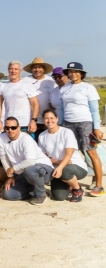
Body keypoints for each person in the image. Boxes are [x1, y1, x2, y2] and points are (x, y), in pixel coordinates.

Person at [58, 61, 103, 197]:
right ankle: (72, 183)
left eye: (76, 71)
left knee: (91, 152)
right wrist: (60, 125)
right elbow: (61, 109)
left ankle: (99, 185)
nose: (73, 74)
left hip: (85, 123)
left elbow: (95, 110)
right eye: (70, 72)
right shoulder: (64, 89)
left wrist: (96, 128)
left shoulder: (88, 88)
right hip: (67, 123)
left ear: (81, 74)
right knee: (70, 153)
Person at [0, 116, 54, 204]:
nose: (10, 130)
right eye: (7, 128)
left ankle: (41, 194)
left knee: (30, 170)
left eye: (13, 127)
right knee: (8, 194)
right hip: (23, 173)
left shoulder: (26, 139)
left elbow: (30, 161)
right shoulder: (1, 138)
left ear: (19, 128)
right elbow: (3, 157)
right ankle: (36, 191)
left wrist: (13, 169)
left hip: (42, 168)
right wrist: (10, 176)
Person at [38, 109, 89, 202]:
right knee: (59, 197)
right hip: (57, 168)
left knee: (65, 172)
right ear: (43, 120)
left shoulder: (66, 132)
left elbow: (69, 153)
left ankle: (77, 189)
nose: (49, 121)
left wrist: (60, 166)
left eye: (52, 118)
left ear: (57, 119)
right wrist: (57, 162)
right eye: (46, 118)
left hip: (74, 165)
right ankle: (69, 184)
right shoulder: (42, 136)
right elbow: (43, 156)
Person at [0, 61, 39, 135]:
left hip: (25, 123)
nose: (13, 71)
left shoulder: (27, 85)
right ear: (8, 70)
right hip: (9, 124)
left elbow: (35, 104)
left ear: (20, 71)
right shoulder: (2, 86)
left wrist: (33, 120)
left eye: (16, 69)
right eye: (11, 69)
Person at [22, 57, 57, 134]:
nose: (37, 70)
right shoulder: (24, 81)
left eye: (39, 67)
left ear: (44, 69)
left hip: (47, 120)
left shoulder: (51, 81)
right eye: (35, 67)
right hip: (29, 119)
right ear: (31, 69)